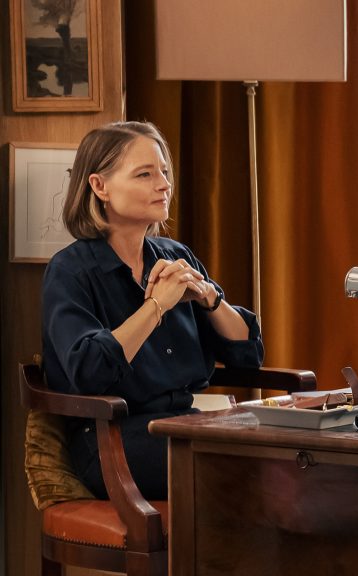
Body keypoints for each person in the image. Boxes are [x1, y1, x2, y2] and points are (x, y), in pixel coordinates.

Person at [42, 121, 264, 500]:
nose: (163, 184)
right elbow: (89, 371)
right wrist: (156, 305)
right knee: (252, 468)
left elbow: (247, 354)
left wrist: (209, 298)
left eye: (163, 172)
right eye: (145, 174)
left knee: (299, 450)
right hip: (114, 442)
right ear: (99, 186)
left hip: (186, 426)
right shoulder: (70, 271)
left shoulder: (176, 256)